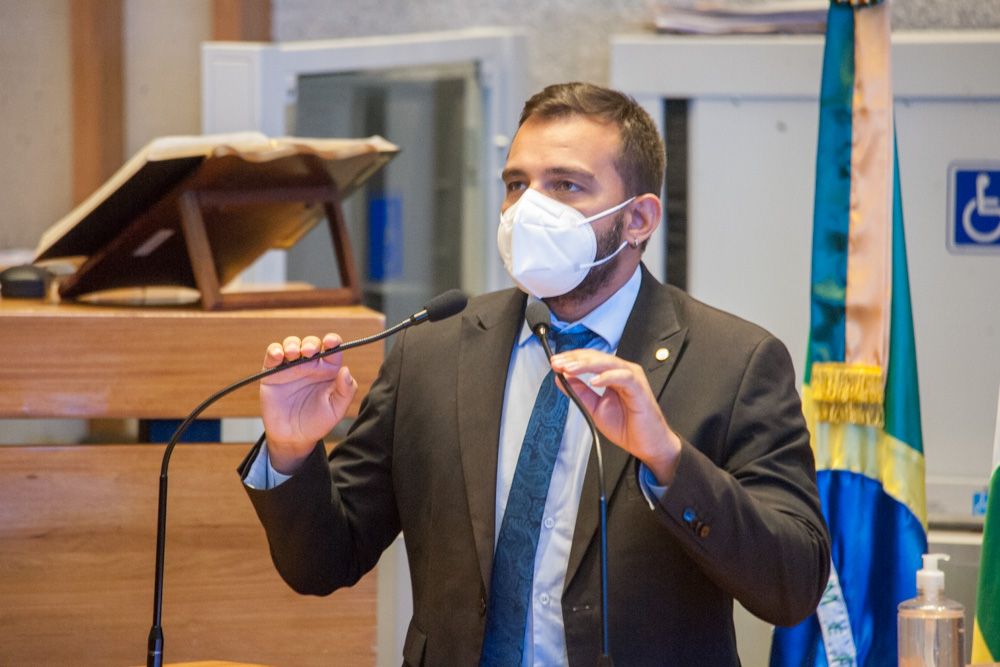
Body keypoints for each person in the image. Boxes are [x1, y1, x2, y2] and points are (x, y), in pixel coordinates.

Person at [240, 82, 831, 667]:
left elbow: (793, 586)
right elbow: (323, 564)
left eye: (565, 185)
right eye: (516, 184)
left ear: (638, 218)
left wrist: (670, 461)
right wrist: (291, 453)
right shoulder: (433, 350)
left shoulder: (735, 362)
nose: (528, 209)